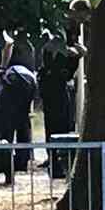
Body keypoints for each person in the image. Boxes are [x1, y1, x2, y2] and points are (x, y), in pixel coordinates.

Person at [37, 19, 86, 177]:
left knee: (57, 128)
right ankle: (56, 164)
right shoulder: (53, 52)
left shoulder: (52, 51)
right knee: (59, 127)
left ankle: (57, 163)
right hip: (57, 93)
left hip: (56, 93)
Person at [0, 29, 37, 172]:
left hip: (13, 77)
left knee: (7, 123)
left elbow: (8, 46)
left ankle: (6, 161)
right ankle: (22, 161)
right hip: (29, 81)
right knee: (23, 122)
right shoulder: (29, 45)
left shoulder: (8, 42)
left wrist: (1, 69)